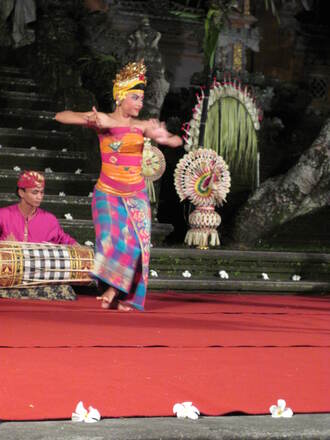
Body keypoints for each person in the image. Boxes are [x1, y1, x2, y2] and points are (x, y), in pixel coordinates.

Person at [55, 60, 182, 311]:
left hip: (135, 195)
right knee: (113, 242)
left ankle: (121, 292)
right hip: (108, 194)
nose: (139, 103)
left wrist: (164, 136)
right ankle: (112, 287)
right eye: (135, 98)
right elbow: (60, 116)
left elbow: (173, 140)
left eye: (141, 99)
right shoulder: (103, 120)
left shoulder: (143, 125)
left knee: (136, 245)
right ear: (121, 97)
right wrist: (88, 118)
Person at [0, 170, 77, 245]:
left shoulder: (49, 220)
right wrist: (3, 246)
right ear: (21, 193)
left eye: (41, 192)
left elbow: (67, 241)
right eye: (35, 192)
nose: (39, 197)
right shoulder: (3, 215)